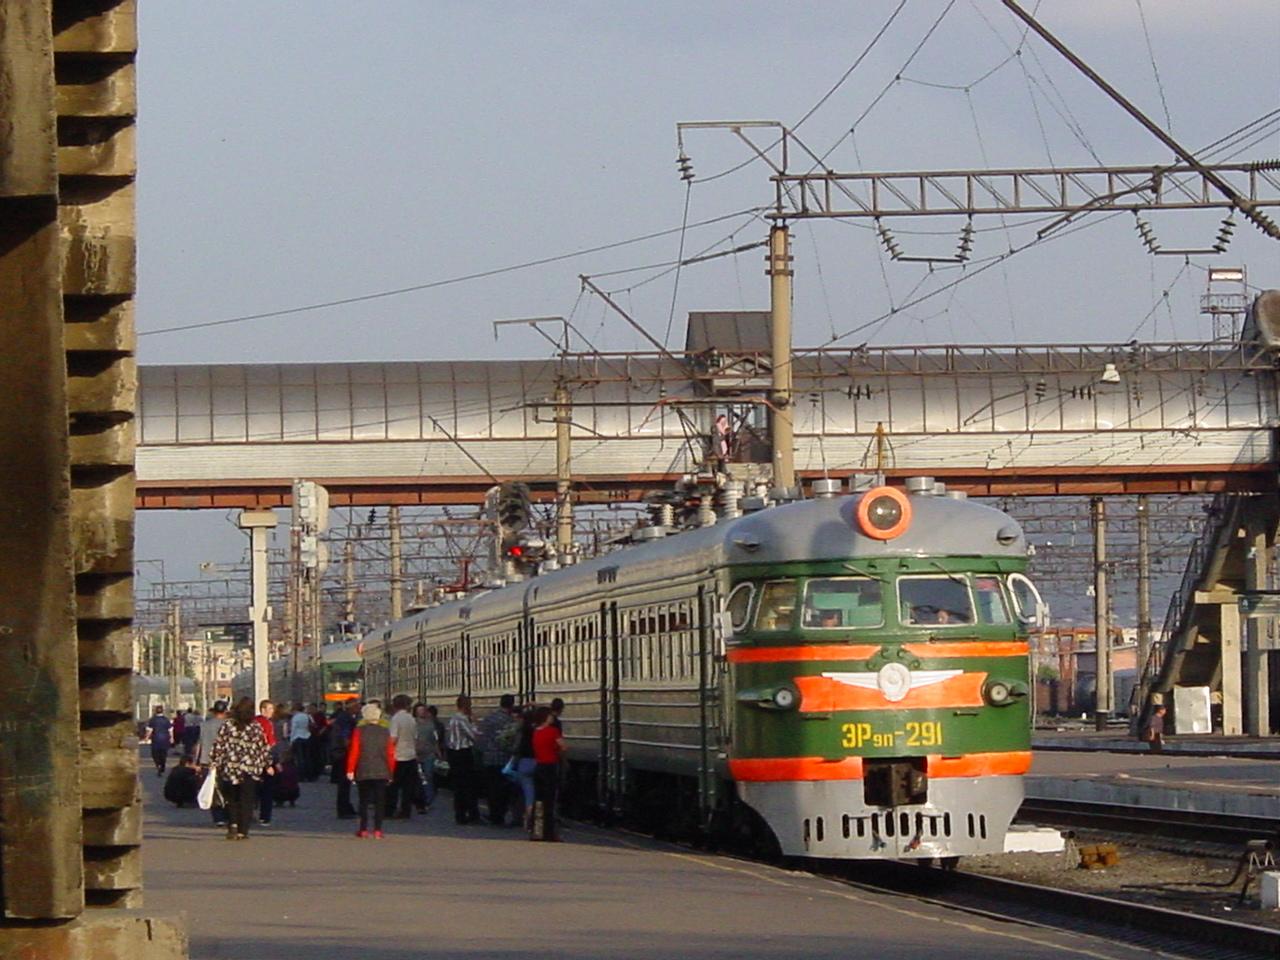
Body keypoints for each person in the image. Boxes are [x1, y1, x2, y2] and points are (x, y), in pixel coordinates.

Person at [209, 697, 274, 840]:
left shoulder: (227, 725)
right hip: (249, 768)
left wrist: (214, 761)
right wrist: (268, 764)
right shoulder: (255, 726)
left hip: (230, 768)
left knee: (231, 798)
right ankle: (242, 830)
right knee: (247, 799)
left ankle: (232, 823)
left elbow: (219, 744)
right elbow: (262, 747)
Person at [346, 702, 396, 838]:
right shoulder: (385, 731)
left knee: (363, 800)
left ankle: (363, 829)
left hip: (363, 768)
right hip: (382, 769)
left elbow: (354, 751)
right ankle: (378, 830)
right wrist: (391, 771)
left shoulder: (359, 731)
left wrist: (350, 769)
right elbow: (390, 753)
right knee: (380, 800)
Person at [477, 694, 519, 826]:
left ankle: (494, 814)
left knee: (491, 789)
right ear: (511, 705)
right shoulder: (509, 721)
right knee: (503, 790)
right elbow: (508, 741)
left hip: (489, 759)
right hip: (503, 760)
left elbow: (481, 739)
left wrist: (484, 752)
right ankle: (499, 815)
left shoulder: (489, 718)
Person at [530, 706, 565, 841]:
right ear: (545, 717)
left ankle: (537, 831)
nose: (552, 718)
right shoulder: (553, 731)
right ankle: (549, 833)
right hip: (550, 767)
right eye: (550, 715)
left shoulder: (536, 732)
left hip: (538, 767)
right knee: (549, 801)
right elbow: (563, 746)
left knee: (538, 801)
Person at [445, 695, 481, 824]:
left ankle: (460, 814)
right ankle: (472, 814)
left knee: (458, 786)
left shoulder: (452, 719)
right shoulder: (462, 719)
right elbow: (473, 736)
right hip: (463, 753)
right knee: (469, 785)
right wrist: (475, 723)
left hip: (453, 753)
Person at [195, 700, 230, 827]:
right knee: (226, 788)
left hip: (207, 761)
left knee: (212, 789)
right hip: (225, 761)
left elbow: (199, 744)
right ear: (225, 711)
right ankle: (228, 814)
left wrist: (196, 762)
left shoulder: (204, 725)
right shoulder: (229, 725)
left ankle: (218, 817)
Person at [386, 694, 419, 818]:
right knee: (407, 787)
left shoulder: (396, 719)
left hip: (398, 756)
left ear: (395, 705)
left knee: (392, 786)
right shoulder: (411, 719)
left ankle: (389, 810)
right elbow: (415, 738)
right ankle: (406, 811)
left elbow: (393, 739)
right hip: (411, 755)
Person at [330, 699, 360, 818]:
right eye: (357, 706)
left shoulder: (343, 717)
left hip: (338, 751)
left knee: (344, 783)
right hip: (343, 753)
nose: (359, 708)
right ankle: (343, 809)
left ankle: (346, 806)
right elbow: (345, 737)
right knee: (344, 782)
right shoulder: (347, 719)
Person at [511, 708, 538, 830]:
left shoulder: (522, 731)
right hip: (538, 763)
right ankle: (537, 821)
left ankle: (527, 821)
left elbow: (516, 748)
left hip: (524, 764)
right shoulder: (538, 731)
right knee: (537, 794)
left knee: (527, 795)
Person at [254, 700, 278, 825]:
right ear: (263, 710)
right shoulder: (267, 723)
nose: (272, 712)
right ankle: (265, 817)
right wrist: (270, 763)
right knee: (267, 790)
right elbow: (269, 744)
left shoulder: (253, 721)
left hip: (251, 761)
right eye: (270, 709)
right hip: (264, 760)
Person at [413, 702, 441, 811]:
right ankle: (420, 799)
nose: (421, 712)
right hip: (416, 754)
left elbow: (435, 740)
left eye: (423, 710)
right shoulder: (413, 723)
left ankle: (428, 799)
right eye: (419, 710)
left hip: (429, 753)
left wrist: (438, 753)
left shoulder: (431, 724)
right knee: (419, 778)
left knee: (429, 776)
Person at [143, 706, 173, 777]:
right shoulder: (166, 720)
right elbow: (170, 730)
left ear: (156, 711)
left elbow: (150, 730)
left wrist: (146, 737)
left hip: (156, 739)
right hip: (165, 739)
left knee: (155, 754)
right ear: (163, 711)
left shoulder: (153, 720)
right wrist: (172, 738)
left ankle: (158, 764)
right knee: (163, 754)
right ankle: (162, 765)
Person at [289, 701, 312, 779]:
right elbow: (312, 724)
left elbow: (293, 729)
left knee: (300, 758)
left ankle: (301, 775)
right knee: (307, 757)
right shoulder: (307, 716)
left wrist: (291, 740)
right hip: (307, 736)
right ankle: (309, 775)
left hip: (298, 737)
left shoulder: (295, 717)